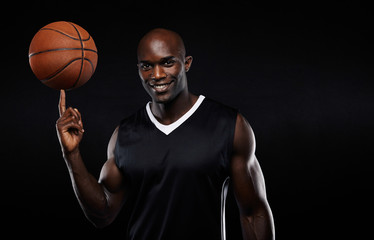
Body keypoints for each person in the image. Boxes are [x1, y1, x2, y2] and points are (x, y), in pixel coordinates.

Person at [56, 28, 275, 240]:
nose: (157, 75)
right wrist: (72, 155)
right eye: (147, 66)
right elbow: (102, 214)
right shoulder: (123, 135)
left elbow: (253, 212)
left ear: (186, 63)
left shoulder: (229, 125)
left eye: (167, 63)